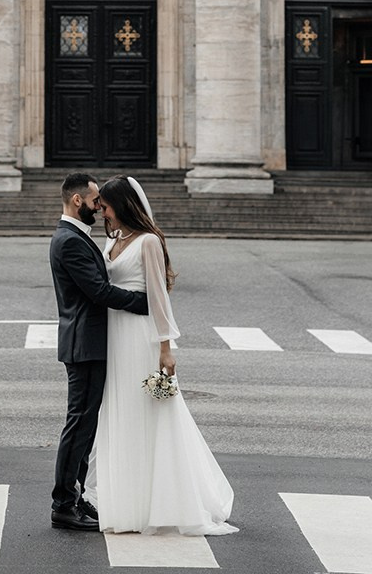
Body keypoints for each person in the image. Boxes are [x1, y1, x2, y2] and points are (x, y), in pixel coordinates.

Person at [87, 175, 237, 535]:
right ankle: (128, 498)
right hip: (115, 336)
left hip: (141, 337)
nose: (101, 212)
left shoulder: (149, 241)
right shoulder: (114, 240)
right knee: (121, 411)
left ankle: (162, 500)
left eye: (105, 206)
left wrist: (166, 347)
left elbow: (158, 295)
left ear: (121, 205)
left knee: (149, 413)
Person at [49, 173, 150, 531]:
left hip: (89, 342)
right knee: (79, 424)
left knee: (85, 424)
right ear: (77, 200)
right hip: (85, 344)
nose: (99, 207)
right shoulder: (69, 240)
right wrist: (143, 302)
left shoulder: (75, 235)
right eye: (95, 201)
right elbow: (98, 291)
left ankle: (75, 497)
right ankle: (63, 503)